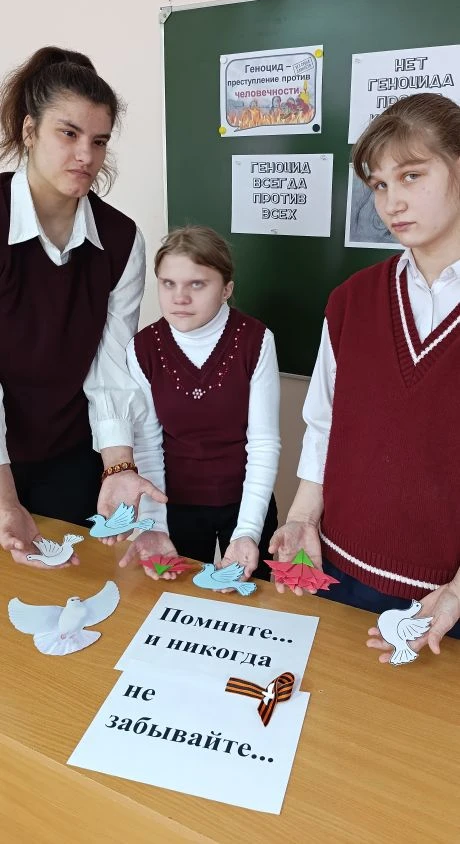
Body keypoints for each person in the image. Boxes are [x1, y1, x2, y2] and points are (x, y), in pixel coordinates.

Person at [270, 92, 460, 659]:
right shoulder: (351, 300)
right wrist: (302, 518)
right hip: (341, 569)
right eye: (379, 184)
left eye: (411, 175)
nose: (391, 202)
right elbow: (324, 423)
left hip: (446, 599)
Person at [0, 46, 165, 568]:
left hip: (70, 457)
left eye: (99, 141)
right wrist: (5, 497)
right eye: (68, 134)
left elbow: (111, 364)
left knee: (75, 588)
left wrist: (118, 466)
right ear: (30, 131)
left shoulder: (121, 240)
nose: (85, 156)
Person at [119, 225, 281, 583]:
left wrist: (247, 531)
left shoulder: (255, 341)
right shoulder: (143, 348)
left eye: (196, 284)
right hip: (174, 507)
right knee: (180, 596)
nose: (179, 298)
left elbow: (264, 442)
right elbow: (147, 445)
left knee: (252, 596)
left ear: (226, 289)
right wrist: (154, 524)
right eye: (168, 283)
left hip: (246, 501)